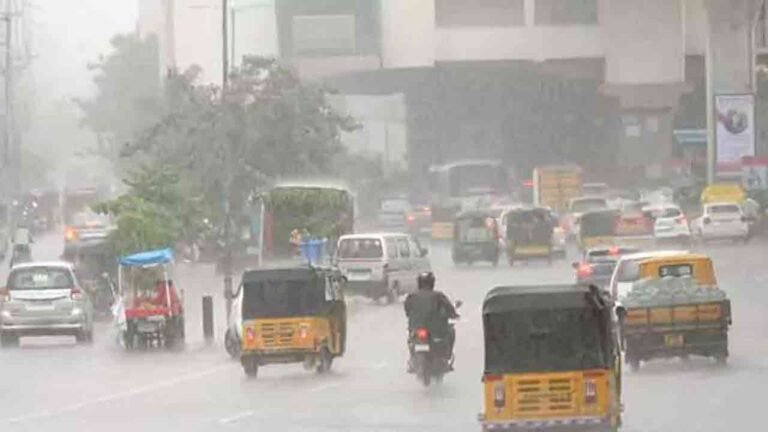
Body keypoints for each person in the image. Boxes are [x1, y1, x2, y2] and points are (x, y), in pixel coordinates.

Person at [404, 272, 459, 370]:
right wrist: (454, 315)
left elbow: (407, 311)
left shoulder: (411, 296)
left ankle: (413, 359)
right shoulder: (438, 296)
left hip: (416, 329)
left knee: (411, 337)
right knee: (451, 331)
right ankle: (447, 358)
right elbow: (449, 309)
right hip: (435, 331)